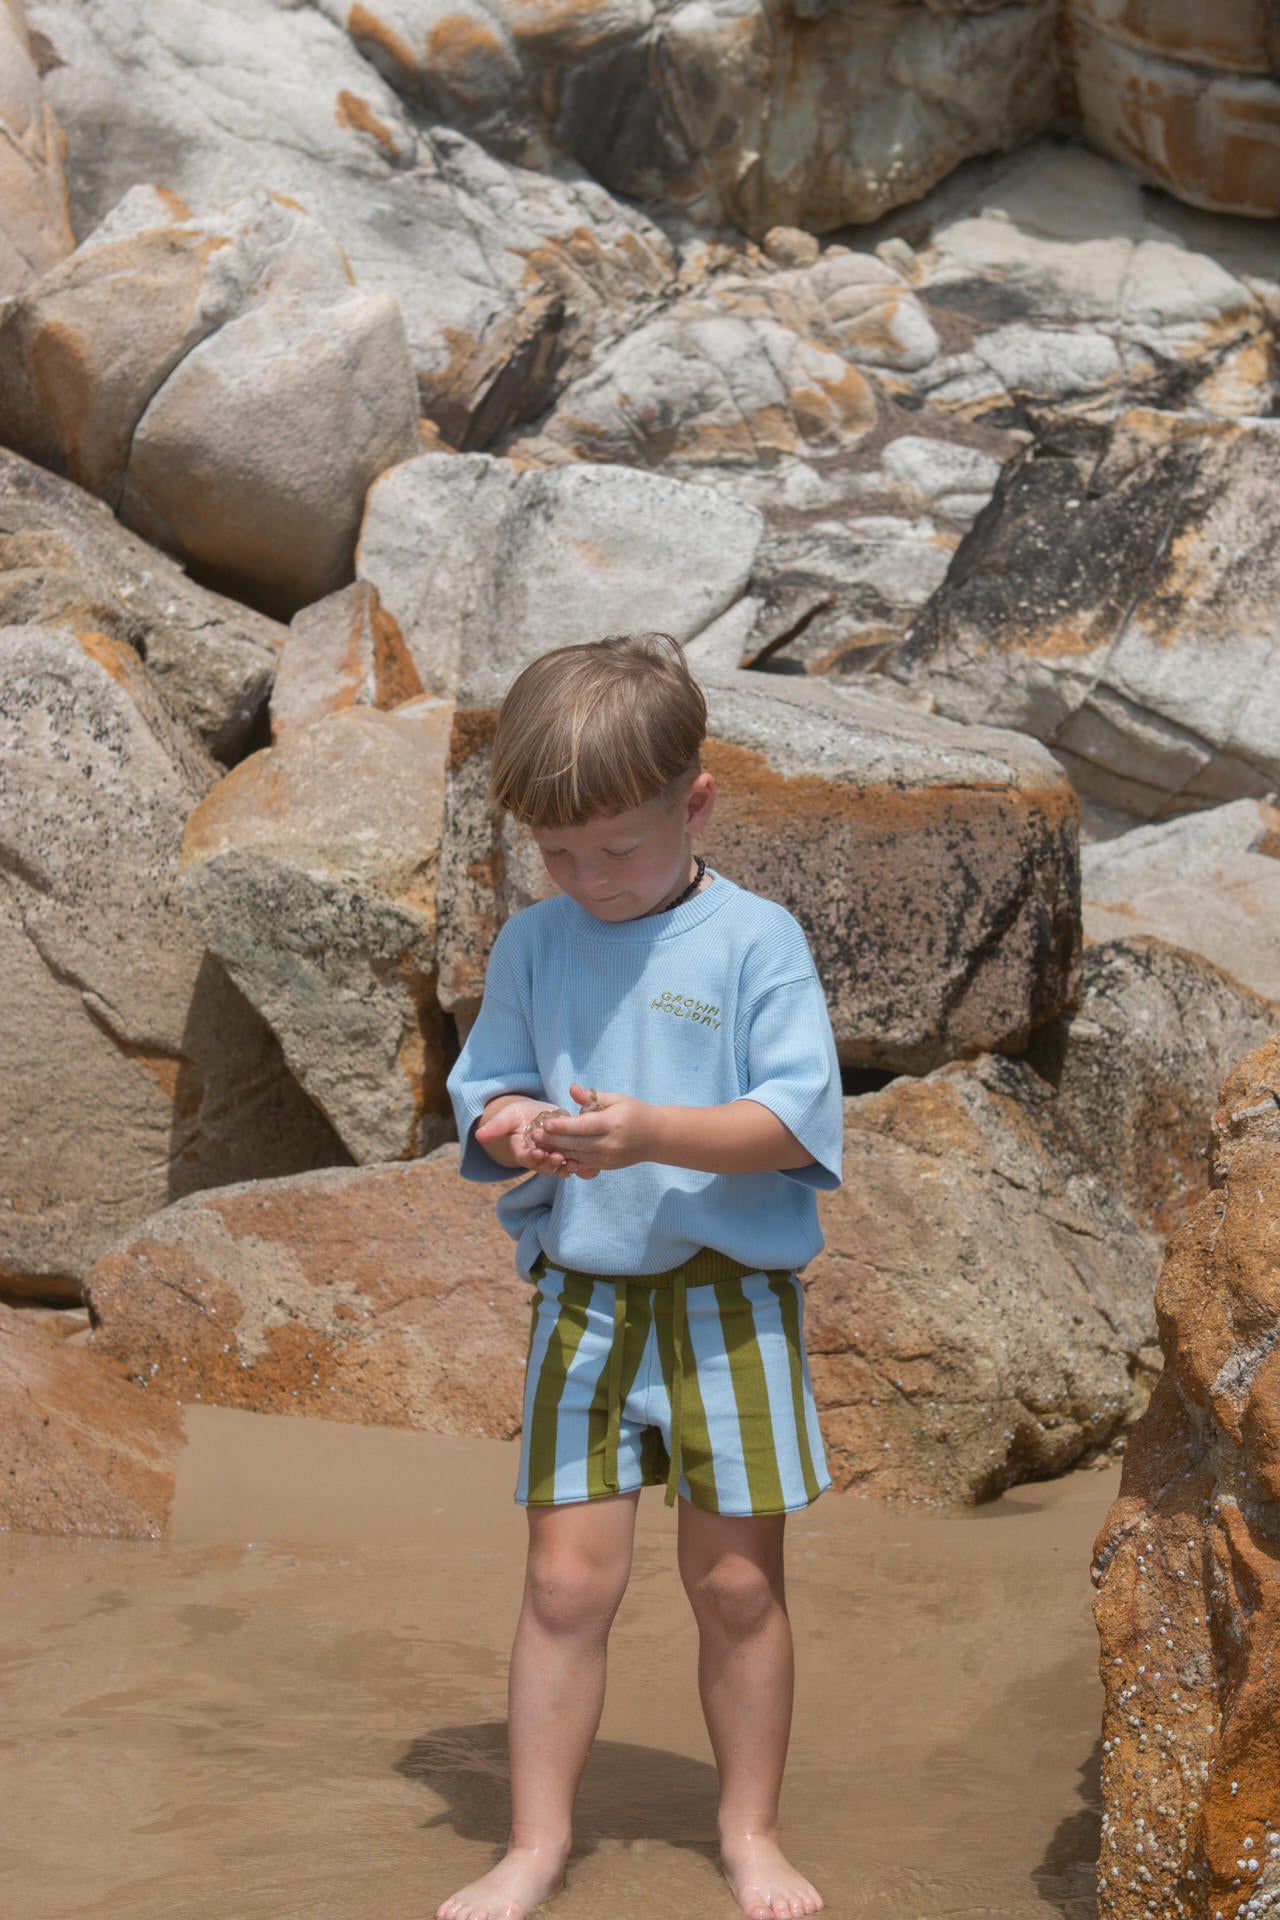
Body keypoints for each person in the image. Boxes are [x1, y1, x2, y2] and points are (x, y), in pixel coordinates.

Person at [439, 631, 843, 1920]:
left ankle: (750, 1832)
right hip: (587, 1296)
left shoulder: (754, 942)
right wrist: (506, 1122)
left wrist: (654, 1131)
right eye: (559, 855)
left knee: (735, 1585)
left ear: (697, 801)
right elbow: (487, 1084)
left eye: (618, 847)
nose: (589, 878)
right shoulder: (536, 942)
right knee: (565, 1586)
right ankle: (535, 1843)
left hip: (730, 1303)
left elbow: (795, 1124)